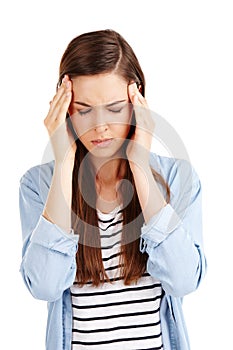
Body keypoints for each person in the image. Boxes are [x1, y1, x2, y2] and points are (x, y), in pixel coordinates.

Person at [19, 29, 206, 350]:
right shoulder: (37, 185)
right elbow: (45, 287)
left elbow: (184, 279)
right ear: (64, 108)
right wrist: (63, 162)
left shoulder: (178, 176)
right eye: (84, 109)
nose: (100, 126)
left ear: (138, 102)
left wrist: (140, 166)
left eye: (116, 108)